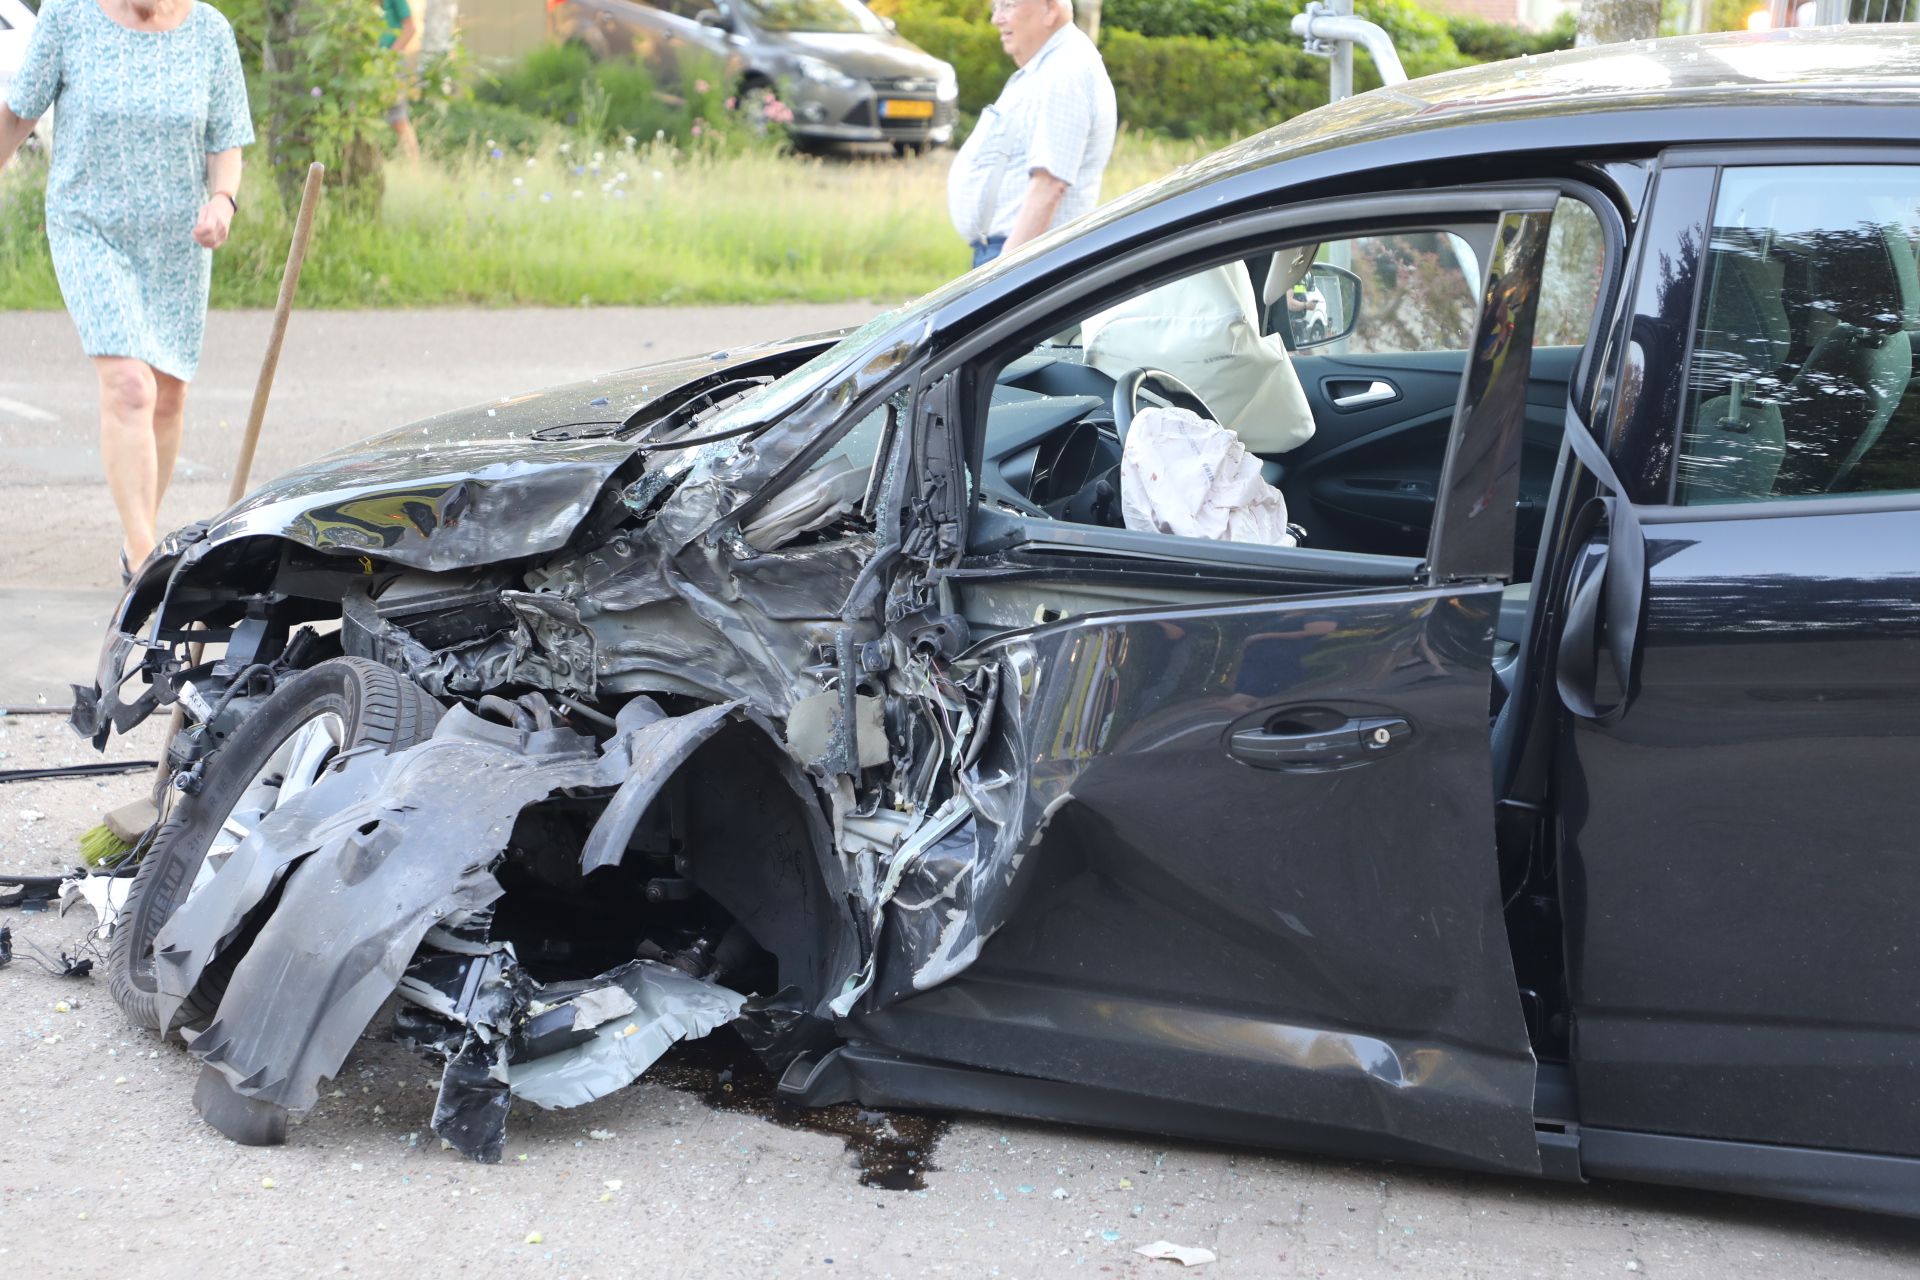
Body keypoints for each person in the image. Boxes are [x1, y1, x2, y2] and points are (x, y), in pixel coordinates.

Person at [0, 0, 253, 583]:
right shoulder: (68, 18)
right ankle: (145, 560)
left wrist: (223, 200)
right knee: (130, 386)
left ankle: (138, 536)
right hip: (89, 226)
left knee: (166, 396)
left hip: (177, 240)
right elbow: (18, 115)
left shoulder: (211, 32)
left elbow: (226, 138)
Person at [948, 0, 1114, 269]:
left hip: (1024, 258)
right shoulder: (1052, 66)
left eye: (1008, 6)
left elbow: (1049, 186)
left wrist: (1002, 276)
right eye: (995, 7)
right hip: (1020, 254)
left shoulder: (1064, 71)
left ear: (1049, 9)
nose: (996, 19)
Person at [382, 0, 421, 163]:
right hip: (363, 64)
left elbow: (411, 28)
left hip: (391, 64)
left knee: (398, 119)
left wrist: (388, 58)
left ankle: (416, 174)